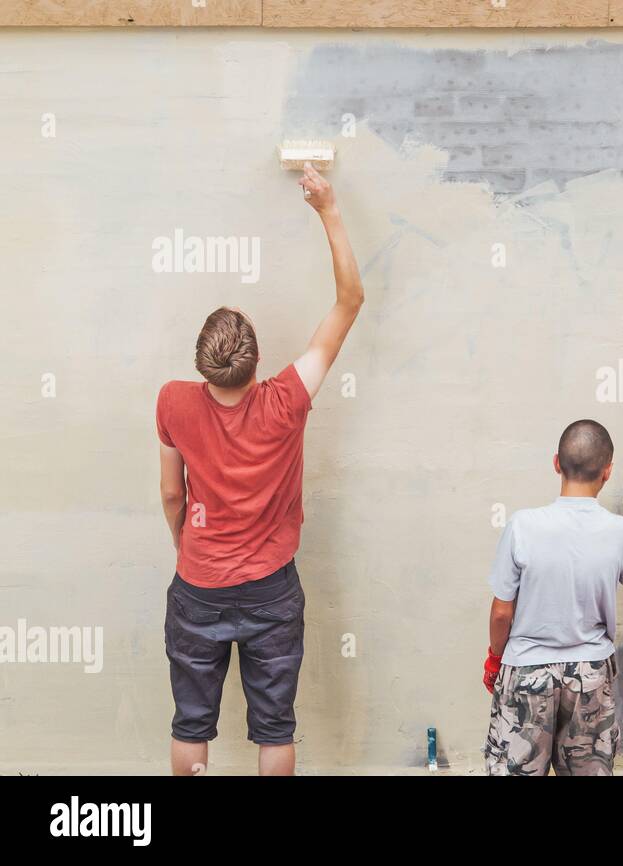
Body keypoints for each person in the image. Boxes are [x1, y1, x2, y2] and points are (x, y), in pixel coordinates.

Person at [156, 163, 363, 776]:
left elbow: (172, 495)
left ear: (204, 367)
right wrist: (327, 208)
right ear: (256, 360)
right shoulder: (286, 400)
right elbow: (350, 300)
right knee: (275, 729)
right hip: (272, 588)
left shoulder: (173, 401)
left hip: (198, 587)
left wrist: (187, 548)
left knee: (191, 725)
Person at [483, 420, 623, 776]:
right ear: (608, 472)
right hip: (590, 674)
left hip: (526, 671)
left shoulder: (521, 525)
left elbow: (502, 613)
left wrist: (495, 659)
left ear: (556, 463)